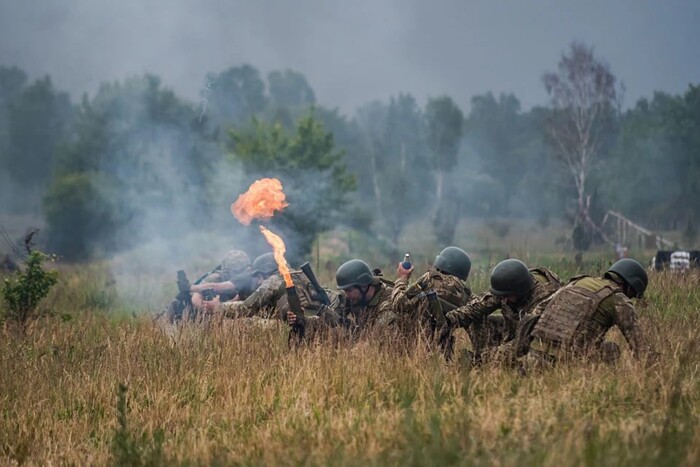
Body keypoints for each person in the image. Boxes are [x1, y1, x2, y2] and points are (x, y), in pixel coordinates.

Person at [516, 258, 656, 365]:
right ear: (630, 288)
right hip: (567, 363)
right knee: (611, 349)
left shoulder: (577, 281)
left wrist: (520, 349)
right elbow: (640, 348)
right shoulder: (619, 300)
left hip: (533, 357)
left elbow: (536, 312)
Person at [445, 259, 561, 363]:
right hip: (515, 330)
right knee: (478, 319)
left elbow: (523, 341)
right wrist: (449, 320)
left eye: (507, 296)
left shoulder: (541, 299)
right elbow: (477, 307)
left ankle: (488, 364)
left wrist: (485, 359)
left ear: (520, 291)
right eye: (501, 296)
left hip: (537, 341)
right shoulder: (508, 287)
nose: (503, 300)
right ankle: (483, 357)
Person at [208, 253, 342, 321]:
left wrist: (218, 307)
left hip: (299, 325)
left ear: (267, 271)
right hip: (319, 322)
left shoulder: (274, 280)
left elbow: (246, 308)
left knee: (245, 323)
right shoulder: (301, 275)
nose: (259, 281)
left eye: (260, 276)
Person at [392, 246, 472, 358]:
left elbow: (399, 304)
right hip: (443, 351)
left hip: (415, 347)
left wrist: (402, 278)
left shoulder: (431, 278)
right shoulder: (465, 293)